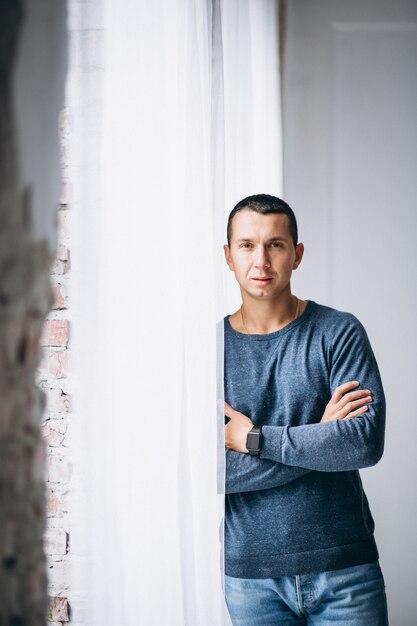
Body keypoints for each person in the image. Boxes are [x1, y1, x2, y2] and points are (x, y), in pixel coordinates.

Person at [222, 194, 388, 625]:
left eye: (275, 244)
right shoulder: (209, 351)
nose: (261, 260)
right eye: (247, 245)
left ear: (296, 255)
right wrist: (318, 437)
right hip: (252, 580)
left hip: (345, 572)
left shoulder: (339, 332)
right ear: (228, 256)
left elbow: (362, 445)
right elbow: (213, 470)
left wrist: (252, 439)